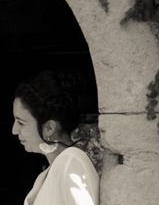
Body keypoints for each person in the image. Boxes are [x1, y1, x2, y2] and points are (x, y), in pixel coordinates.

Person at [12, 71, 99, 205]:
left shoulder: (71, 161)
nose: (14, 130)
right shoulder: (47, 173)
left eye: (21, 122)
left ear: (49, 128)